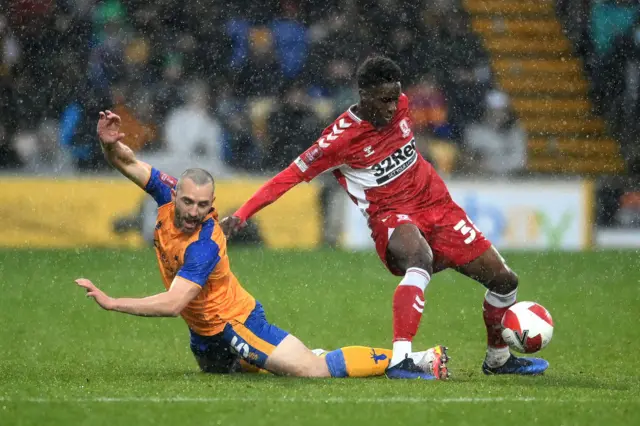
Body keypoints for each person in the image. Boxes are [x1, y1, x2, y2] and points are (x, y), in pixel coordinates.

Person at [221, 56, 549, 378]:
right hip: (390, 215)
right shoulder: (338, 139)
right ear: (364, 96)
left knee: (505, 281)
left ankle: (498, 359)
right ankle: (402, 359)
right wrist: (242, 214)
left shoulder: (402, 106)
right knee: (419, 258)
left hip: (440, 208)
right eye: (384, 100)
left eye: (396, 97)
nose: (393, 107)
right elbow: (288, 177)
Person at [75, 110, 449, 380]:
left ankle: (410, 361)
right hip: (205, 335)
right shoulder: (166, 192)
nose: (194, 211)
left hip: (234, 323)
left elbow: (174, 304)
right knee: (234, 373)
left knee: (311, 371)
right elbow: (129, 163)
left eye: (204, 206)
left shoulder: (205, 243)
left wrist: (112, 302)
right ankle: (290, 354)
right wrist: (109, 145)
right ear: (175, 194)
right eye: (188, 202)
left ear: (212, 204)